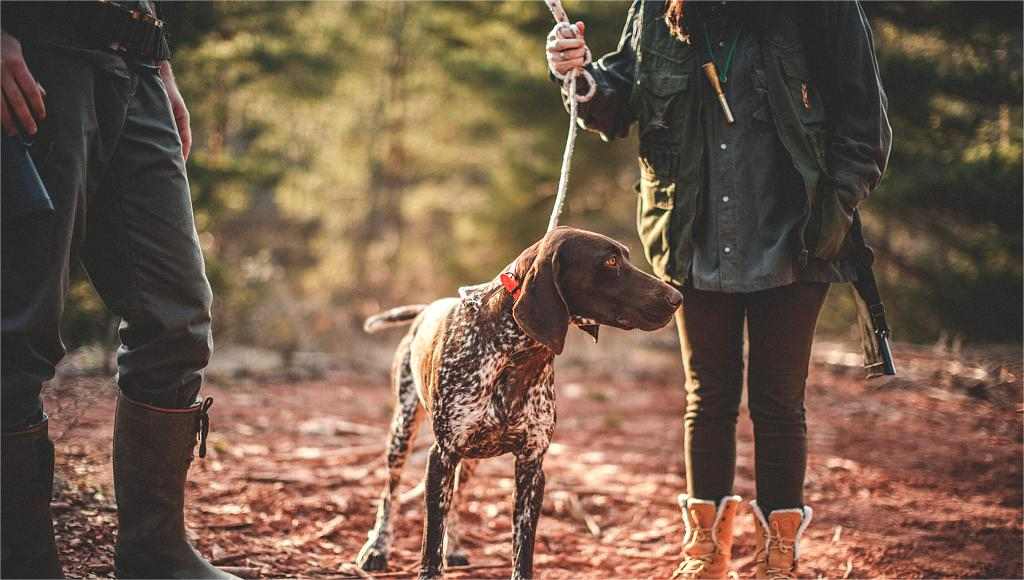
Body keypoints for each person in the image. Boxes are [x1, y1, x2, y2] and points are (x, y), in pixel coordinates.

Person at [546, 2, 891, 578]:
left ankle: (779, 557)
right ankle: (705, 554)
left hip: (797, 238)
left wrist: (830, 218)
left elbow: (866, 126)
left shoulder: (823, 10)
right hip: (693, 234)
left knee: (779, 403)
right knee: (707, 398)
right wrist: (578, 76)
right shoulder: (658, 9)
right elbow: (618, 96)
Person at [1, 2, 236, 577]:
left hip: (136, 60)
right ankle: (20, 560)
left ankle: (157, 555)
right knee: (17, 329)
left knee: (177, 316)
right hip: (37, 53)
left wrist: (162, 67)